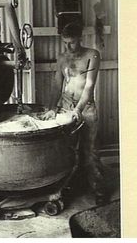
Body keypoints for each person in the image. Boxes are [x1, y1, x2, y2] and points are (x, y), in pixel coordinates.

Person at [42, 21, 108, 205]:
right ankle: (68, 188)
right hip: (65, 107)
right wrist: (51, 108)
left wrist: (78, 110)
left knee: (90, 152)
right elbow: (57, 85)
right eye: (65, 42)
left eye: (71, 42)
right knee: (66, 152)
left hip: (85, 109)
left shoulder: (92, 55)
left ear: (80, 38)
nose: (68, 46)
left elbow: (89, 86)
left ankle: (99, 190)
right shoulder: (62, 58)